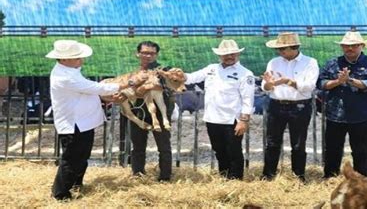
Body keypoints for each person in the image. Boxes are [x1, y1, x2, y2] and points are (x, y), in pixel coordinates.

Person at [47, 40, 147, 200]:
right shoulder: (65, 77)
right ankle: (60, 194)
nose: (81, 60)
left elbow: (87, 92)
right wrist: (130, 83)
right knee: (71, 159)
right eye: (77, 57)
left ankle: (75, 185)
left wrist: (106, 97)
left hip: (81, 122)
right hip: (74, 124)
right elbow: (96, 88)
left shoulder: (70, 71)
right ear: (64, 59)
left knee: (81, 157)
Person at [184, 39, 254, 180]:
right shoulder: (211, 69)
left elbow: (248, 99)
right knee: (219, 151)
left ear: (237, 54)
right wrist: (178, 75)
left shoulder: (245, 74)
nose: (229, 56)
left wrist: (243, 121)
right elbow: (190, 78)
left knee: (233, 152)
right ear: (219, 56)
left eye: (232, 54)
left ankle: (236, 181)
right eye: (225, 54)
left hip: (232, 120)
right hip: (212, 118)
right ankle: (224, 177)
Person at [318, 31, 367, 178]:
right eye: (347, 46)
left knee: (360, 149)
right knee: (332, 149)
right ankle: (330, 177)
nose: (350, 49)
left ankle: (360, 179)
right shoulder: (332, 63)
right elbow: (321, 83)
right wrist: (338, 82)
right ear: (342, 47)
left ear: (362, 46)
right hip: (335, 114)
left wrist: (350, 80)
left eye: (354, 46)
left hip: (361, 114)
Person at [261, 32, 319, 182]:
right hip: (276, 104)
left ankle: (298, 177)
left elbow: (309, 86)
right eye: (279, 49)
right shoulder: (274, 62)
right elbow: (266, 86)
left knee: (298, 144)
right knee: (272, 143)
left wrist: (289, 82)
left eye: (283, 49)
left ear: (294, 48)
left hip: (299, 106)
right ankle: (268, 175)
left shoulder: (310, 62)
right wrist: (269, 84)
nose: (280, 52)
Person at [129, 40, 175, 182]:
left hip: (160, 115)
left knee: (164, 147)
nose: (148, 56)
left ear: (156, 55)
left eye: (151, 53)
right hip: (138, 113)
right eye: (144, 53)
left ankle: (165, 177)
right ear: (138, 54)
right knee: (137, 146)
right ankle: (138, 174)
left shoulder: (165, 70)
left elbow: (171, 87)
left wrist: (149, 87)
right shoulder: (131, 71)